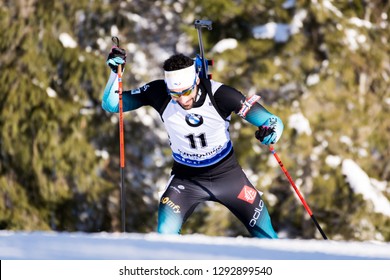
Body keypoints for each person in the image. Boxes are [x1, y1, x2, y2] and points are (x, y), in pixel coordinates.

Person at [102, 47, 284, 238]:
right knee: (165, 234)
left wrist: (269, 132)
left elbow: (272, 122)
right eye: (175, 94)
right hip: (186, 179)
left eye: (187, 91)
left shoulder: (220, 94)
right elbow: (113, 104)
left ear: (196, 79)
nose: (182, 99)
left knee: (267, 235)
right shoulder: (159, 92)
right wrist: (116, 73)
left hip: (229, 177)